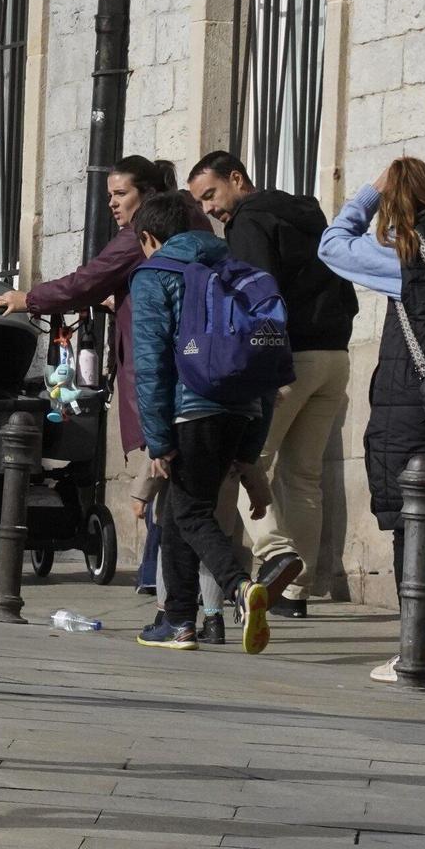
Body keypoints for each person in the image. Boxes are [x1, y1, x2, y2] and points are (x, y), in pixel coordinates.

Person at [0, 158, 205, 606]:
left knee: (169, 487)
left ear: (145, 194)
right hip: (202, 376)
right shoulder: (193, 225)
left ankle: (182, 602)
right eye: (108, 195)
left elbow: (84, 282)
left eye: (120, 194)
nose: (112, 204)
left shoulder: (141, 238)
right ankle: (173, 584)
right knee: (188, 491)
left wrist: (29, 298)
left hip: (165, 378)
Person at [128, 191, 302, 653]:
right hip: (242, 409)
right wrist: (249, 451)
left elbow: (149, 363)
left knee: (189, 512)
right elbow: (264, 364)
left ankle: (241, 589)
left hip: (193, 408)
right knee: (181, 513)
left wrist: (157, 438)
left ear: (149, 237)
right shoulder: (237, 269)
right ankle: (179, 621)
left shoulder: (155, 273)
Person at [188, 151, 358, 617]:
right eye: (200, 202)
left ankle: (275, 555)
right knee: (303, 476)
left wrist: (262, 366)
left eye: (211, 195)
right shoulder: (309, 212)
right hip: (334, 354)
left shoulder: (249, 223)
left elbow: (255, 297)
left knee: (245, 462)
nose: (209, 209)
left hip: (289, 359)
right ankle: (293, 592)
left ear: (237, 179)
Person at [318, 158, 425, 682]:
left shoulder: (406, 255)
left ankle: (412, 653)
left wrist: (369, 195)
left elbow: (331, 245)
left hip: (417, 405)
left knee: (411, 526)